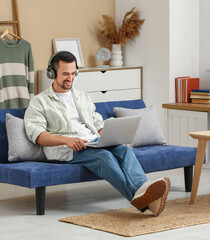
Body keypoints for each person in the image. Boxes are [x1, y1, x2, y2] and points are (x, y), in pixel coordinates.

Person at [24, 51, 170, 216]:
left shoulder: (82, 97)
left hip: (93, 141)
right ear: (52, 73)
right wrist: (67, 140)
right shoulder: (39, 101)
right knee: (103, 157)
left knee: (124, 150)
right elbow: (37, 135)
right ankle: (142, 200)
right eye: (65, 73)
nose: (70, 78)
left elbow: (97, 123)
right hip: (67, 149)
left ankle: (144, 193)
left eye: (73, 73)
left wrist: (110, 137)